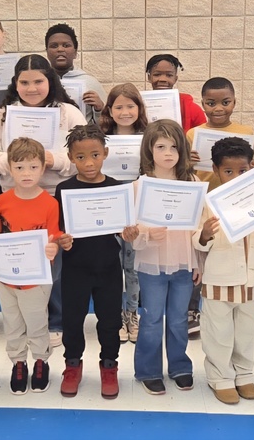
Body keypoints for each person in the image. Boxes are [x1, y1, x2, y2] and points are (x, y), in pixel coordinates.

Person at [0, 54, 88, 348]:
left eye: (38, 81)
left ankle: (54, 320)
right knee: (18, 256)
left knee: (52, 259)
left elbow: (82, 151)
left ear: (50, 81)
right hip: (13, 199)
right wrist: (17, 161)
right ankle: (21, 318)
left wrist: (53, 159)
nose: (31, 88)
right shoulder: (2, 114)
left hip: (54, 196)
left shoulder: (67, 112)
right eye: (24, 82)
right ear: (15, 84)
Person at [192, 137, 254, 405]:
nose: (236, 177)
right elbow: (198, 242)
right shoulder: (208, 202)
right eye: (228, 171)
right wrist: (204, 234)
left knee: (246, 332)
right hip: (219, 280)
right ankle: (220, 377)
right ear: (215, 170)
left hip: (251, 280)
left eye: (243, 171)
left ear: (252, 167)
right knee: (219, 332)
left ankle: (244, 374)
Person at [0, 137, 61, 395]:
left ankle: (41, 360)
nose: (26, 173)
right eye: (19, 167)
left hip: (36, 277)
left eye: (33, 167)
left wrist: (53, 247)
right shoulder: (2, 201)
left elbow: (54, 236)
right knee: (12, 322)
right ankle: (18, 362)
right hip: (6, 277)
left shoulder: (50, 203)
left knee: (37, 321)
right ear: (9, 168)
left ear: (43, 168)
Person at [129, 120, 203, 396]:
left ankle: (180, 366)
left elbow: (199, 225)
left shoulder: (192, 183)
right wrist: (148, 233)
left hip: (184, 262)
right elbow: (132, 232)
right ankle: (148, 370)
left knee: (178, 318)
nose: (168, 153)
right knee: (150, 318)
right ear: (149, 150)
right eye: (160, 147)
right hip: (152, 264)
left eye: (174, 147)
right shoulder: (140, 186)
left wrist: (199, 262)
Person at [54, 124, 126, 399]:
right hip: (75, 268)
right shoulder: (64, 189)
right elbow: (58, 228)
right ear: (71, 157)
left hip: (108, 266)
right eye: (81, 157)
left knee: (109, 321)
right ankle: (72, 364)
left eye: (95, 155)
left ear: (105, 153)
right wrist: (62, 238)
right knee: (72, 320)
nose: (89, 162)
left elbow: (123, 228)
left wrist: (128, 232)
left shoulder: (116, 188)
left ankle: (109, 365)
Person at [184, 76, 254, 339]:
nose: (218, 108)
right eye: (211, 103)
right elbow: (186, 172)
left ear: (234, 102)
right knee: (199, 258)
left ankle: (234, 301)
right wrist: (188, 162)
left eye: (225, 102)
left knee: (231, 254)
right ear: (202, 103)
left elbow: (249, 165)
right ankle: (193, 310)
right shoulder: (193, 134)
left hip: (236, 204)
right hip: (204, 203)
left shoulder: (246, 132)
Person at [97, 83, 148, 343]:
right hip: (110, 207)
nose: (125, 112)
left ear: (139, 109)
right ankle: (116, 316)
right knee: (113, 266)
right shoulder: (101, 137)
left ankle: (132, 314)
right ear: (109, 110)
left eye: (131, 106)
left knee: (134, 267)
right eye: (119, 106)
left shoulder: (149, 137)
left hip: (139, 209)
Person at [44, 23, 106, 124]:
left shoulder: (90, 82)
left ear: (75, 52)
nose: (60, 49)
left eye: (66, 45)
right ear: (47, 52)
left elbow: (108, 125)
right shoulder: (40, 82)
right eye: (54, 46)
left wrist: (99, 109)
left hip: (83, 137)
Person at [144, 54, 206, 132]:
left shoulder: (192, 109)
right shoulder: (138, 106)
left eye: (169, 75)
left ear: (175, 79)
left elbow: (201, 136)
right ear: (149, 78)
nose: (163, 79)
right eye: (157, 74)